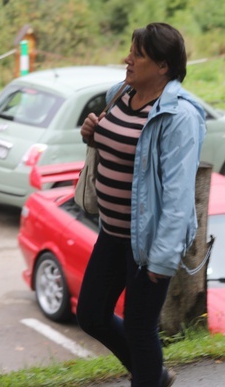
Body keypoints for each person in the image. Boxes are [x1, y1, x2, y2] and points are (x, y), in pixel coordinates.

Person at [77, 23, 206, 387]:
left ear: (163, 66)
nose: (127, 59)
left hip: (148, 244)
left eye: (138, 55)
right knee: (91, 315)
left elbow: (179, 195)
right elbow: (116, 149)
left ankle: (149, 375)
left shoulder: (180, 117)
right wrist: (91, 134)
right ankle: (154, 374)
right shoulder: (119, 93)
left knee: (138, 327)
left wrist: (163, 258)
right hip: (112, 232)